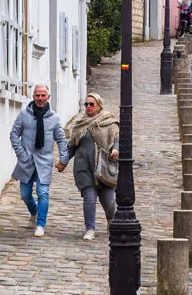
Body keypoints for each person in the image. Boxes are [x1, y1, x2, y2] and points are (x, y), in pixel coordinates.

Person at [10, 84, 69, 237]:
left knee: (43, 193)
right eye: (38, 95)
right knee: (25, 194)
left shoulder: (54, 117)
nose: (40, 98)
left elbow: (61, 140)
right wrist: (21, 154)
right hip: (27, 160)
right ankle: (34, 212)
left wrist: (64, 159)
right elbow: (14, 134)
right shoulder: (24, 114)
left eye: (43, 95)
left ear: (48, 97)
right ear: (33, 96)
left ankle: (40, 223)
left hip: (44, 161)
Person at [64, 93, 120, 241]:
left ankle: (110, 220)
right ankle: (90, 228)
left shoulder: (109, 122)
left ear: (99, 106)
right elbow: (71, 146)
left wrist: (115, 149)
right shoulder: (79, 124)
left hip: (104, 167)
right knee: (89, 198)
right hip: (84, 168)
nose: (88, 107)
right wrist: (63, 161)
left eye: (91, 104)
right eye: (86, 104)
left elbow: (116, 140)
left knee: (109, 202)